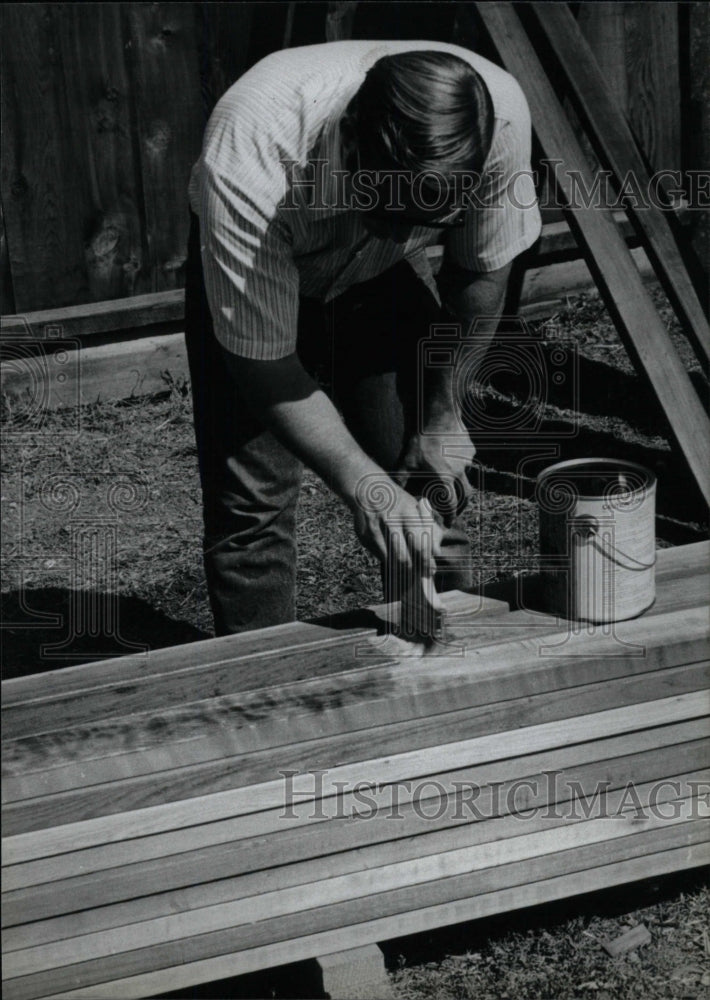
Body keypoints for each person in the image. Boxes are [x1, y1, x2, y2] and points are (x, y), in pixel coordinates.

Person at [186, 39, 541, 636]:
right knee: (253, 509)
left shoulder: (498, 117)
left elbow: (480, 269)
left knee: (431, 478)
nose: (403, 227)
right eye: (384, 206)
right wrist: (360, 483)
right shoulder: (250, 154)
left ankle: (445, 654)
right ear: (350, 141)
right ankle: (271, 703)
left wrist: (444, 412)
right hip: (263, 264)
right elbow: (264, 365)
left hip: (383, 275)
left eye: (424, 218)